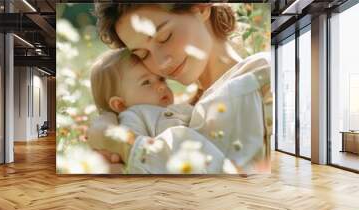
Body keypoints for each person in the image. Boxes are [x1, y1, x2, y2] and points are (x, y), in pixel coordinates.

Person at [89, 3, 272, 173]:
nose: (161, 63)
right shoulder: (176, 112)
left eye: (164, 37)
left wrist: (122, 144)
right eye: (143, 55)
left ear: (201, 8)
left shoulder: (260, 76)